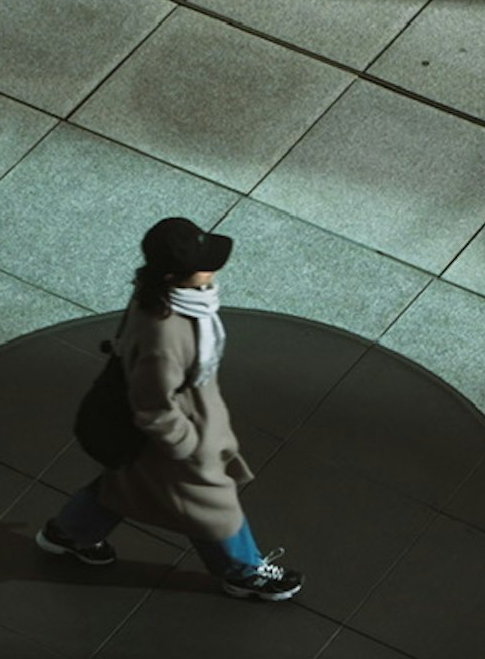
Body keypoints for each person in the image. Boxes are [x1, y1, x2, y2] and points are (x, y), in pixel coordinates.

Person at [38, 216, 303, 602]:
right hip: (170, 439)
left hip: (174, 425)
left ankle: (69, 533)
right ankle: (243, 572)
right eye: (204, 263)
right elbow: (153, 408)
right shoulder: (164, 334)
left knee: (124, 487)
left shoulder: (166, 297)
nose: (213, 268)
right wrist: (189, 448)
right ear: (174, 276)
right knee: (214, 502)